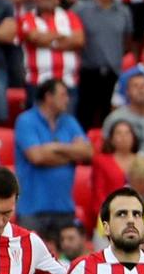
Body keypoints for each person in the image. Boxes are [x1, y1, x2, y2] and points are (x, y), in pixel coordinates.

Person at [14, 80, 90, 239]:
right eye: (63, 95)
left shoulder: (69, 121)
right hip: (32, 211)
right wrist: (71, 155)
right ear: (48, 97)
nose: (67, 100)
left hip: (64, 209)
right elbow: (36, 157)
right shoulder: (26, 120)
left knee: (65, 262)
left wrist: (55, 147)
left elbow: (88, 152)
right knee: (30, 261)